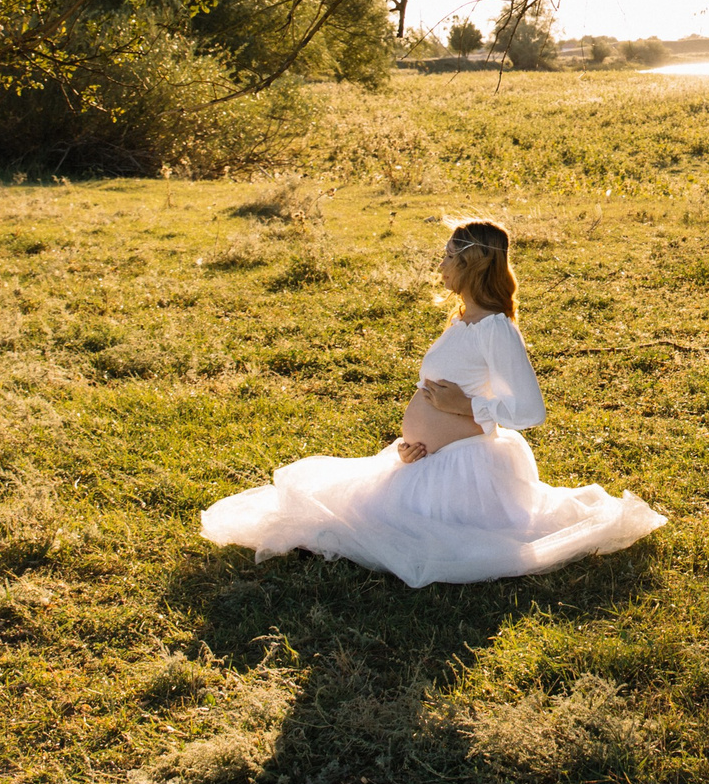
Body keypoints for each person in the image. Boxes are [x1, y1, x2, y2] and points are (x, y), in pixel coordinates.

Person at [199, 218, 666, 586]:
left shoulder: (495, 329)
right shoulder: (462, 320)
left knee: (376, 530)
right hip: (426, 460)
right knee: (335, 509)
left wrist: (466, 407)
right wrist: (410, 447)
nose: (439, 266)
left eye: (447, 257)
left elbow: (530, 411)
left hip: (465, 472)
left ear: (471, 265)